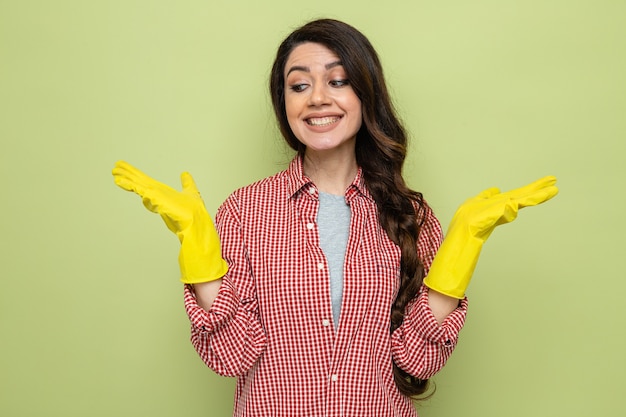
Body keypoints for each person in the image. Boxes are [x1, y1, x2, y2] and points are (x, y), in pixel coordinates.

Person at [112, 18, 558, 417]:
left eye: (338, 81)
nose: (318, 99)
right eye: (299, 85)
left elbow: (419, 361)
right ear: (283, 103)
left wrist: (461, 250)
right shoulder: (244, 211)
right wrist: (196, 244)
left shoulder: (409, 216)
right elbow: (231, 356)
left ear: (366, 94)